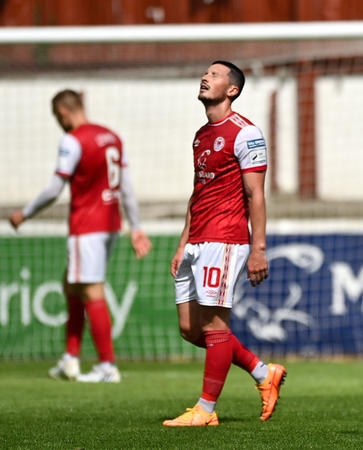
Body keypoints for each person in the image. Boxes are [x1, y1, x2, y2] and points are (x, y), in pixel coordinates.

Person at [162, 61, 286, 427]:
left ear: (232, 89)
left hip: (225, 238)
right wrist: (183, 241)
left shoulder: (246, 133)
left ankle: (205, 410)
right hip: (197, 238)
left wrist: (258, 248)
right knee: (190, 329)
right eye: (205, 72)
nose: (205, 77)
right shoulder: (201, 134)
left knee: (216, 327)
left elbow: (256, 195)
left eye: (215, 75)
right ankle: (263, 373)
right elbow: (197, 191)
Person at [8, 89, 152, 383]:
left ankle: (107, 366)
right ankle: (70, 360)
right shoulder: (112, 136)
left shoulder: (73, 140)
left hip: (87, 226)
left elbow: (54, 188)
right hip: (111, 224)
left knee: (90, 290)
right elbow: (126, 187)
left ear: (62, 112)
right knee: (71, 285)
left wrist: (25, 213)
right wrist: (135, 226)